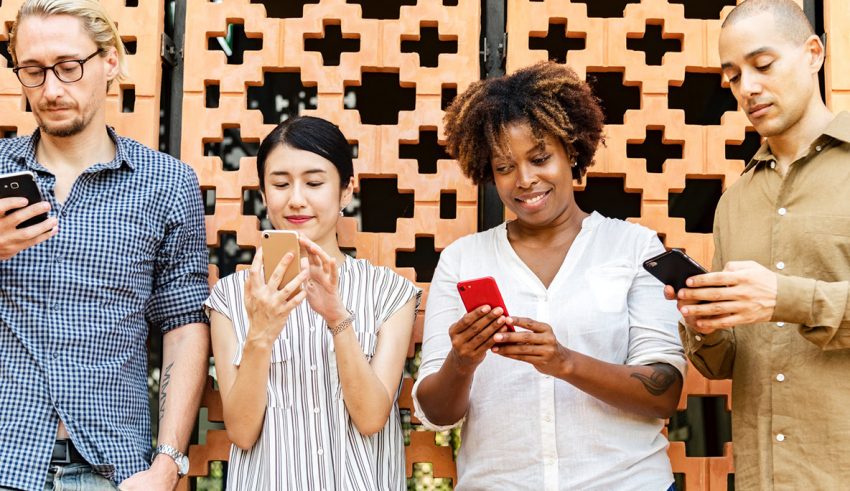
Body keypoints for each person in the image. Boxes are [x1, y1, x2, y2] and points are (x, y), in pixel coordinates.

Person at [412, 61, 686, 490]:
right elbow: (436, 413)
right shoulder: (462, 260)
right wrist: (461, 362)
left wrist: (565, 362)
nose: (525, 180)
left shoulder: (634, 248)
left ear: (571, 151)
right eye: (505, 167)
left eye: (540, 159)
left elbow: (664, 392)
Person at [0, 1, 210, 490]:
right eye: (33, 71)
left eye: (68, 67)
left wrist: (168, 464)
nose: (51, 89)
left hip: (110, 469)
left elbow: (183, 326)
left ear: (109, 61)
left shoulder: (167, 184)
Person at [667, 0, 850, 487]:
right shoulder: (735, 201)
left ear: (813, 54)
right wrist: (704, 325)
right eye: (732, 77)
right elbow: (728, 363)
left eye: (763, 65)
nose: (747, 88)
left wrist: (786, 298)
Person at [205, 115, 420, 490]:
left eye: (315, 183)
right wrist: (260, 334)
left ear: (346, 190)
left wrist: (338, 318)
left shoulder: (390, 292)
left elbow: (371, 418)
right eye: (280, 184)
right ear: (264, 194)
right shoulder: (230, 297)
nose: (296, 199)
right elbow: (241, 431)